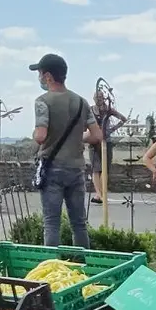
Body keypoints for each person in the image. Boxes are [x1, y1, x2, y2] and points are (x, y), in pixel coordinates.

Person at [30, 53, 103, 247]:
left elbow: (40, 136)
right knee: (79, 223)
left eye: (39, 74)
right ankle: (81, 267)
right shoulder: (81, 102)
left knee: (51, 223)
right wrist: (77, 138)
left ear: (48, 77)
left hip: (53, 168)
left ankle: (52, 272)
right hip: (76, 168)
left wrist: (34, 135)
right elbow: (97, 136)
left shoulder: (42, 101)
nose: (39, 78)